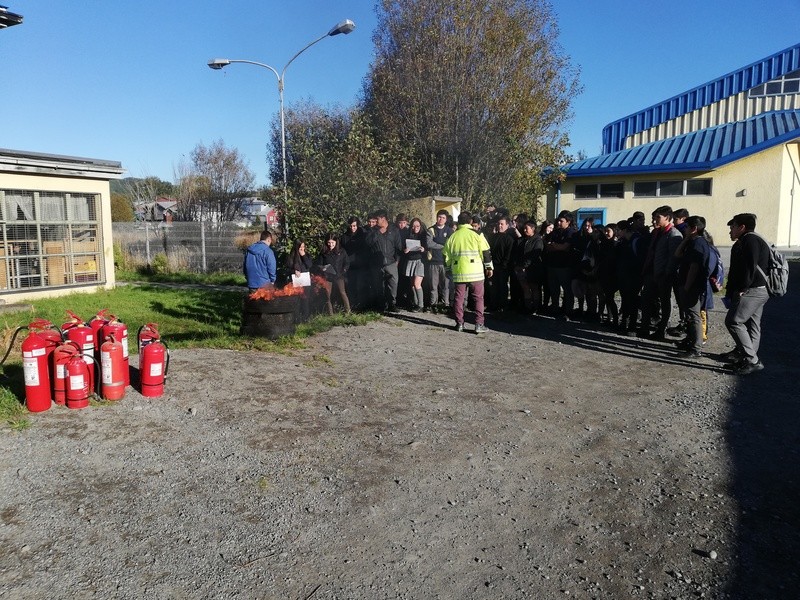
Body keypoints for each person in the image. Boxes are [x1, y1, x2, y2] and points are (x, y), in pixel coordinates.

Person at [723, 213, 772, 375]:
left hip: (753, 290)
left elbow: (749, 267)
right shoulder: (748, 240)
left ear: (742, 227)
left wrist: (742, 288)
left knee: (734, 321)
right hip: (758, 289)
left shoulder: (750, 240)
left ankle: (752, 360)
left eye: (733, 227)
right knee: (752, 324)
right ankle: (746, 357)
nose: (730, 230)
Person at [443, 211, 493, 333]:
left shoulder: (453, 236)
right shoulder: (477, 234)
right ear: (470, 221)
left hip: (459, 273)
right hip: (475, 273)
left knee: (459, 299)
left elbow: (446, 255)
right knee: (478, 299)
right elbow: (486, 252)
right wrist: (489, 267)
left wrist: (448, 269)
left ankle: (459, 323)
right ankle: (478, 324)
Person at [638, 206, 682, 340]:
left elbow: (673, 258)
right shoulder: (657, 232)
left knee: (665, 303)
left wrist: (666, 274)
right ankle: (644, 327)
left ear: (667, 218)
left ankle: (661, 330)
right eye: (654, 217)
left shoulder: (674, 234)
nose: (655, 220)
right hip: (651, 272)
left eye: (658, 217)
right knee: (646, 300)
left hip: (664, 275)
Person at [674, 216, 713, 358]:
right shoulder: (692, 242)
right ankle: (690, 341)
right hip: (687, 284)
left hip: (693, 286)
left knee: (694, 316)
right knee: (690, 316)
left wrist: (687, 287)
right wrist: (685, 239)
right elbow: (677, 254)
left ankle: (696, 348)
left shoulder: (699, 244)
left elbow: (694, 268)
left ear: (694, 228)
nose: (684, 230)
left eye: (686, 227)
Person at [365, 209, 403, 312]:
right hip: (376, 263)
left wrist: (397, 260)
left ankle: (392, 304)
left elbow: (398, 246)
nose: (375, 221)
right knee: (378, 285)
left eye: (377, 219)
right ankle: (381, 305)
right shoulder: (373, 230)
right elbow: (368, 243)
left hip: (391, 262)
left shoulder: (394, 230)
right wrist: (377, 233)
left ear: (383, 218)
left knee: (393, 284)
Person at [546, 211, 576, 320]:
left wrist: (556, 246)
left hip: (564, 266)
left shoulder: (571, 233)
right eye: (558, 220)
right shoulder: (555, 232)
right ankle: (555, 308)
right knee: (554, 289)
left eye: (561, 221)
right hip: (553, 264)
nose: (559, 222)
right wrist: (557, 246)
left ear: (568, 222)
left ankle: (568, 311)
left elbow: (565, 247)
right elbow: (548, 246)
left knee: (567, 290)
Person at [315, 232, 351, 315]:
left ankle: (348, 312)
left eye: (332, 243)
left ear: (336, 242)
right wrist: (322, 268)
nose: (330, 245)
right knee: (327, 295)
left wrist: (344, 270)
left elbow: (347, 263)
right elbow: (318, 264)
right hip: (328, 277)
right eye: (329, 243)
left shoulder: (341, 251)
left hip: (339, 275)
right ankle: (330, 314)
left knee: (342, 292)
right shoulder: (323, 252)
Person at [425, 209, 452, 313]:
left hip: (445, 262)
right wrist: (443, 245)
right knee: (433, 285)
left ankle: (446, 304)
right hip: (433, 261)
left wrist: (438, 242)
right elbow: (429, 243)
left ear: (446, 219)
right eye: (439, 217)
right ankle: (433, 304)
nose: (441, 219)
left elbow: (450, 244)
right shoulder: (431, 230)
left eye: (443, 218)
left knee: (446, 285)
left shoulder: (449, 230)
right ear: (436, 218)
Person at [487, 215, 515, 313]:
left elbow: (508, 254)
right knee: (493, 286)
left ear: (507, 225)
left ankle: (502, 305)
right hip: (493, 266)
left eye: (502, 224)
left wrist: (504, 265)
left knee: (502, 286)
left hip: (503, 267)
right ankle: (493, 304)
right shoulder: (493, 237)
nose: (500, 226)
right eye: (498, 224)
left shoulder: (509, 239)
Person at [341, 216, 368, 310]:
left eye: (354, 226)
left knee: (360, 285)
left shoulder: (363, 235)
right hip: (350, 265)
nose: (353, 228)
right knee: (350, 285)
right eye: (351, 226)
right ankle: (352, 305)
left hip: (361, 264)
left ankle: (361, 305)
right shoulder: (344, 237)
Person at [403, 218, 428, 311]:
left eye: (417, 226)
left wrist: (423, 250)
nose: (415, 228)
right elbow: (403, 247)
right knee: (412, 284)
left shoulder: (424, 235)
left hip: (420, 261)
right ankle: (416, 303)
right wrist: (405, 250)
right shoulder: (408, 235)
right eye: (413, 226)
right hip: (410, 260)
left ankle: (421, 305)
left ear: (420, 226)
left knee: (417, 284)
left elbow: (428, 249)